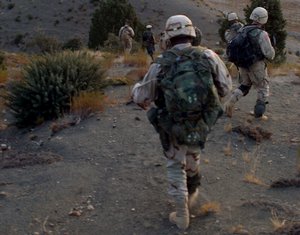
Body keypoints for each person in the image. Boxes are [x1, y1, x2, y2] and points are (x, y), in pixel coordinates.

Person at [131, 15, 232, 230]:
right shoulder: (208, 55)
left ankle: (182, 214)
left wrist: (136, 90)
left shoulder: (161, 64)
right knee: (193, 157)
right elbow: (225, 87)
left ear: (168, 36)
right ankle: (191, 195)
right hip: (200, 121)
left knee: (176, 165)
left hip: (171, 124)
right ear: (192, 33)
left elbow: (141, 97)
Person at [224, 7, 275, 119]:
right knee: (263, 87)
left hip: (242, 64)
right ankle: (259, 114)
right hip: (256, 64)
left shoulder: (243, 29)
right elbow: (270, 54)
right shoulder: (262, 34)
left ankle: (229, 103)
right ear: (264, 19)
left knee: (244, 85)